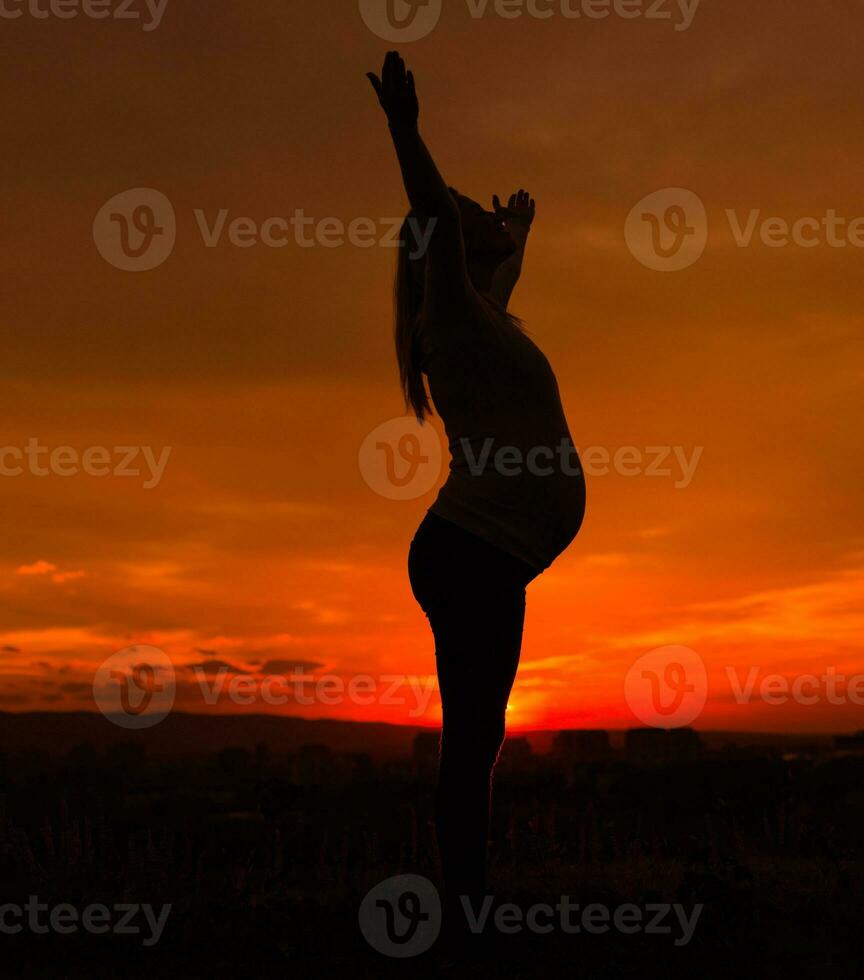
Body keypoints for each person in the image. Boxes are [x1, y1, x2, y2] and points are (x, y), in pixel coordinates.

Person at [367, 51, 586, 926]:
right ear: (443, 249)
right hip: (471, 555)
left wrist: (520, 241)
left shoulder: (481, 315)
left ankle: (470, 904)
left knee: (482, 740)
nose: (474, 211)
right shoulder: (448, 310)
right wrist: (406, 131)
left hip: (487, 555)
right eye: (462, 217)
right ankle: (465, 914)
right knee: (471, 745)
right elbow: (436, 218)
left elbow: (496, 279)